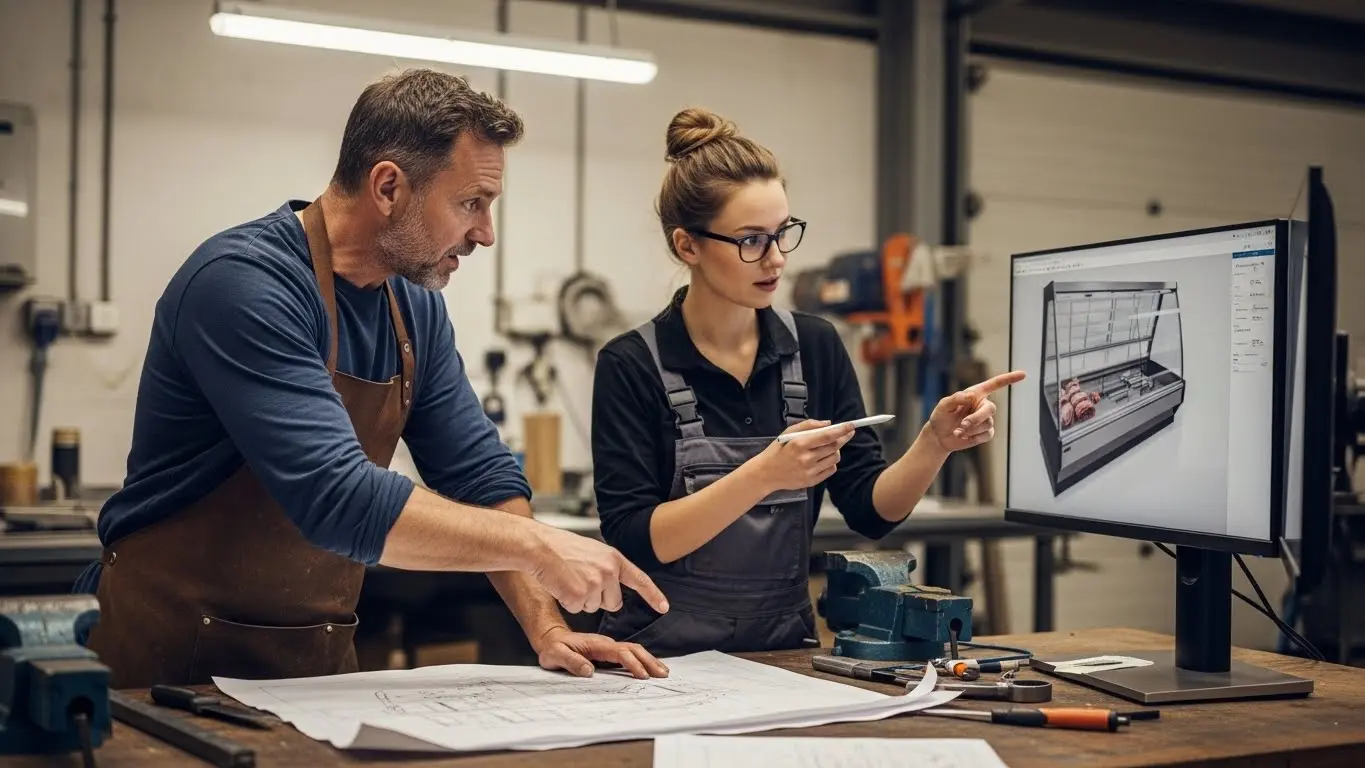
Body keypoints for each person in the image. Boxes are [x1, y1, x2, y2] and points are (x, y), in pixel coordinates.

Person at [76, 69, 669, 688]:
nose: (485, 234)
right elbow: (336, 495)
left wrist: (548, 629)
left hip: (313, 675)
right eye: (471, 203)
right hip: (162, 674)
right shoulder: (243, 284)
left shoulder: (413, 308)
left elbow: (477, 474)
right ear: (388, 186)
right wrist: (540, 547)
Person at [590, 108, 1023, 657]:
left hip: (782, 651)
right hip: (660, 655)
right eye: (751, 240)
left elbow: (869, 510)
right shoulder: (631, 364)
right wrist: (765, 474)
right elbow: (636, 540)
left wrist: (934, 443)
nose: (775, 260)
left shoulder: (814, 347)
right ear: (688, 246)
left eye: (782, 233)